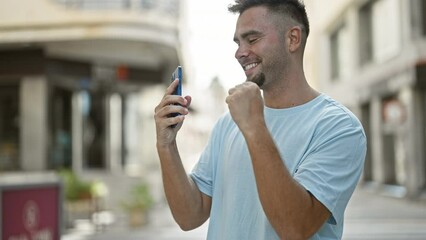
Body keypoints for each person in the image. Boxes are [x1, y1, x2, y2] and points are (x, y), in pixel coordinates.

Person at [154, 0, 367, 239]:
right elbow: (189, 216)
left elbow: (294, 227)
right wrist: (166, 145)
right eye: (238, 42)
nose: (239, 52)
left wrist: (254, 126)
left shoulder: (338, 127)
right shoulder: (228, 123)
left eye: (252, 39)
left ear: (293, 39)